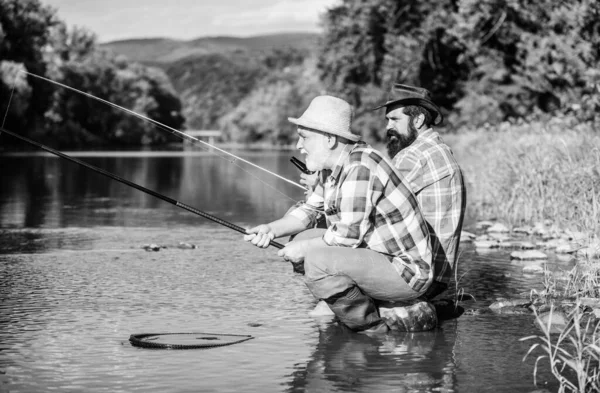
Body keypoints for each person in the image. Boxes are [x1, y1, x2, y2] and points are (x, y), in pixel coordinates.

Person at [244, 95, 433, 333]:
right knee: (303, 239)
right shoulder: (332, 168)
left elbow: (347, 237)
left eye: (304, 138)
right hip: (376, 256)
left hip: (406, 271)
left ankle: (370, 327)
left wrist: (304, 251)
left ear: (330, 139)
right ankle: (347, 302)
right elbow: (309, 210)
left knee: (316, 259)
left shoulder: (360, 167)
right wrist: (271, 229)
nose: (298, 146)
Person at [373, 84, 467, 299]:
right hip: (441, 275)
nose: (388, 126)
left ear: (418, 121)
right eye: (387, 120)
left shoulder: (414, 156)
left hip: (420, 275)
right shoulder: (440, 148)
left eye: (395, 119)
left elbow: (374, 209)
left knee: (329, 258)